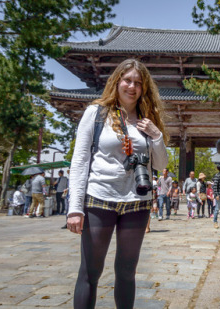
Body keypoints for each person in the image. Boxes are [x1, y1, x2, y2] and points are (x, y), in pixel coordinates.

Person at [66, 58, 168, 309]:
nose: (132, 86)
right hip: (99, 198)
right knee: (90, 271)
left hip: (136, 202)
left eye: (138, 82)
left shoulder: (147, 119)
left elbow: (161, 165)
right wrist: (75, 208)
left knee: (127, 272)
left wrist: (156, 136)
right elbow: (80, 161)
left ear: (144, 88)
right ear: (117, 81)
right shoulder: (96, 113)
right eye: (127, 80)